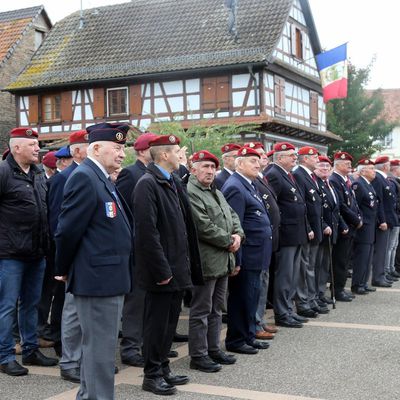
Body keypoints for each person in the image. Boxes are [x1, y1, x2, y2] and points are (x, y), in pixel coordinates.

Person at [54, 122, 133, 400]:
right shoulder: (85, 177)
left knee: (98, 350)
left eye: (123, 148)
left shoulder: (100, 178)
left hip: (107, 278)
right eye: (117, 148)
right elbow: (67, 230)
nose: (122, 154)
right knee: (100, 353)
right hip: (98, 279)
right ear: (96, 148)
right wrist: (62, 269)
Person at [134, 134, 203, 396]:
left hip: (177, 266)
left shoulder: (171, 181)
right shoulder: (147, 184)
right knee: (156, 324)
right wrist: (161, 270)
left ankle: (163, 368)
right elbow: (147, 233)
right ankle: (151, 375)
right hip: (162, 271)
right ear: (164, 155)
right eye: (176, 151)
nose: (180, 155)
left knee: (169, 324)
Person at [0, 127, 58, 376]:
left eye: (37, 144)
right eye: (32, 145)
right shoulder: (3, 173)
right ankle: (4, 356)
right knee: (7, 306)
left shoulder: (37, 174)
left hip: (36, 253)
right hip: (9, 255)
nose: (38, 149)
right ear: (16, 148)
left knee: (31, 305)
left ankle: (31, 350)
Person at [187, 150, 244, 372]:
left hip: (223, 259)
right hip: (206, 261)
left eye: (213, 167)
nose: (210, 171)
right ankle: (198, 355)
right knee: (201, 310)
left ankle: (213, 349)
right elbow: (202, 226)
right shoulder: (192, 192)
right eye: (205, 167)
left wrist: (238, 235)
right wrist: (229, 240)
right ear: (193, 169)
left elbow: (232, 216)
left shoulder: (215, 191)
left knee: (217, 309)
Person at [43, 130, 89, 382]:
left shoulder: (89, 174)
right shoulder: (66, 177)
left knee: (82, 311)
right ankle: (68, 357)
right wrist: (61, 262)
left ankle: (82, 358)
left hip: (88, 258)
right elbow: (59, 224)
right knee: (69, 309)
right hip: (71, 257)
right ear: (77, 151)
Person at [222, 146, 273, 354]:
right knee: (242, 298)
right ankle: (236, 340)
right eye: (252, 161)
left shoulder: (249, 184)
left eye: (258, 160)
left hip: (257, 252)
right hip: (247, 254)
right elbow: (236, 226)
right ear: (239, 163)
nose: (258, 164)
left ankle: (249, 335)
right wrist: (237, 260)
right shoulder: (235, 186)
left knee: (251, 297)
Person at [116, 132, 157, 368]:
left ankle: (145, 344)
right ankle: (131, 348)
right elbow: (123, 211)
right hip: (136, 247)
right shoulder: (130, 174)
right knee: (136, 301)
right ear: (142, 151)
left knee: (149, 300)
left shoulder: (153, 173)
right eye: (154, 147)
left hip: (151, 247)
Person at [265, 142, 310, 328]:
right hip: (286, 234)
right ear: (280, 157)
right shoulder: (274, 174)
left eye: (295, 155)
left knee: (291, 276)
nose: (295, 158)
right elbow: (272, 206)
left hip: (296, 232)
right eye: (291, 155)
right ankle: (282, 313)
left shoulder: (286, 174)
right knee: (284, 276)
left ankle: (289, 310)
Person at [246, 142, 279, 339]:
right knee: (255, 287)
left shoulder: (260, 179)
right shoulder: (245, 182)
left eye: (261, 156)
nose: (259, 161)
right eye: (254, 158)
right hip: (254, 246)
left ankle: (259, 320)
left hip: (265, 242)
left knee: (263, 284)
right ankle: (255, 323)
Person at [293, 146, 330, 317]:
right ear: (305, 158)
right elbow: (302, 206)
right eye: (314, 156)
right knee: (306, 268)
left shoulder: (310, 175)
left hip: (316, 228)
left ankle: (312, 298)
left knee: (311, 267)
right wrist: (308, 227)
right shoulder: (299, 174)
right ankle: (305, 301)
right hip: (309, 230)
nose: (317, 159)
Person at [329, 151, 362, 300]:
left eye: (350, 163)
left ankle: (341, 288)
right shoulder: (335, 179)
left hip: (350, 225)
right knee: (340, 261)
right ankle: (337, 291)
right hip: (344, 226)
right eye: (346, 163)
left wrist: (358, 217)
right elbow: (341, 205)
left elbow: (353, 203)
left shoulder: (345, 180)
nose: (349, 165)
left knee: (345, 260)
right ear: (338, 164)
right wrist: (356, 219)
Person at [313, 155, 340, 305]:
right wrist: (324, 226)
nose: (324, 169)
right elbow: (316, 209)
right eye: (321, 166)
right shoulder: (316, 184)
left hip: (331, 230)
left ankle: (321, 293)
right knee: (317, 266)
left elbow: (336, 208)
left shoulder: (329, 184)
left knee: (324, 266)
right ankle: (316, 294)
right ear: (315, 168)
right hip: (322, 230)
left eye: (327, 167)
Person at [351, 159, 378, 294]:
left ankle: (363, 282)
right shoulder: (358, 184)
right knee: (361, 257)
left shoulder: (368, 184)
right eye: (371, 169)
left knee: (367, 257)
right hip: (363, 227)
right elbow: (355, 206)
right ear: (363, 171)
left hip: (370, 225)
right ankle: (357, 284)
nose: (374, 171)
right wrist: (359, 220)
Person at [371, 156, 399, 287]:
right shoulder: (378, 179)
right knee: (382, 250)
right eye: (388, 165)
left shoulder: (384, 179)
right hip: (383, 221)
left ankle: (381, 274)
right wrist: (382, 220)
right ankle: (378, 276)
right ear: (384, 166)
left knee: (385, 249)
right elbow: (379, 201)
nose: (389, 167)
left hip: (388, 219)